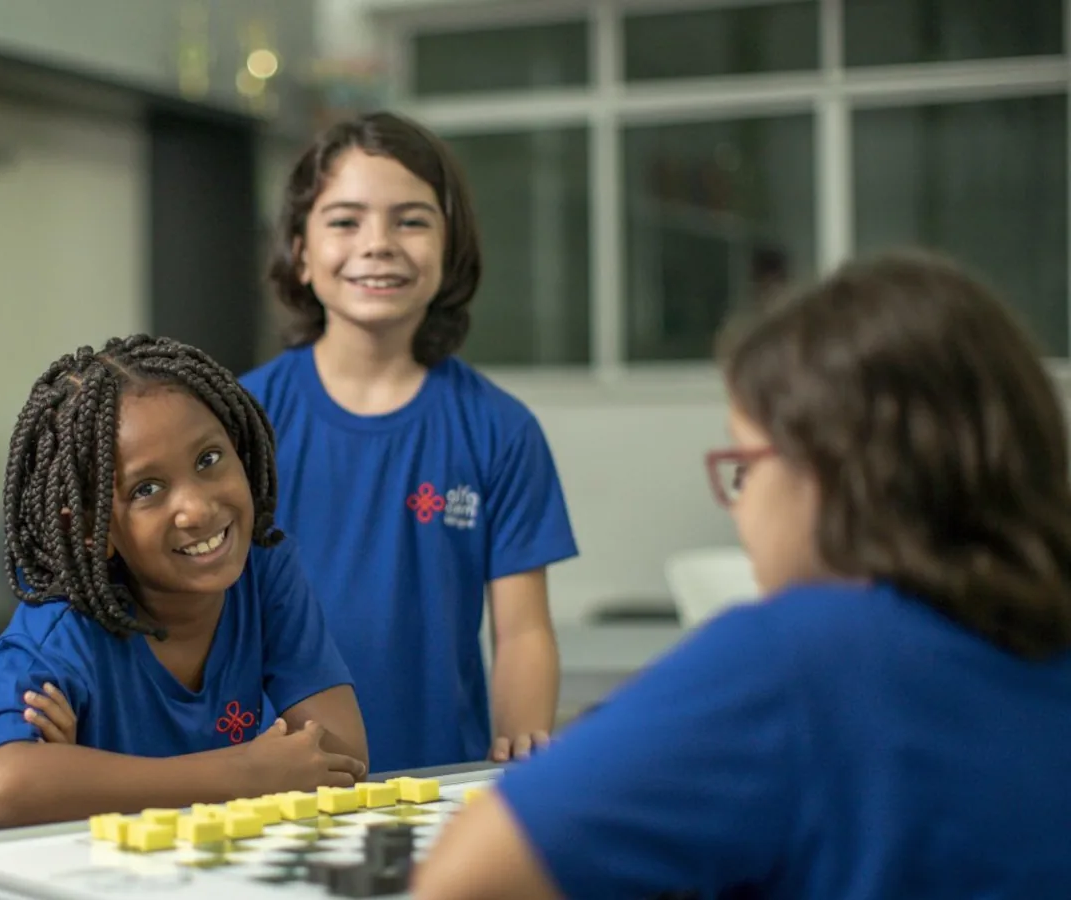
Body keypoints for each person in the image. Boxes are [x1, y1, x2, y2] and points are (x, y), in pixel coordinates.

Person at [413, 249, 1071, 899]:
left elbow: (467, 877)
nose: (739, 503)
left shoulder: (800, 657)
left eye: (745, 466)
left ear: (830, 468)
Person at [239, 111, 578, 773]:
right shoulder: (238, 420)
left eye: (412, 220)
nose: (378, 243)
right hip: (267, 777)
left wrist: (519, 747)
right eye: (345, 220)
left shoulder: (502, 431)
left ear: (450, 250)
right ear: (301, 253)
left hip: (439, 779)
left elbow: (523, 630)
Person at [0, 334, 368, 829]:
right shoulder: (62, 625)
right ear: (91, 532)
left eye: (208, 460)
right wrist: (243, 774)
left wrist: (82, 782)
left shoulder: (265, 572)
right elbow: (4, 789)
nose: (197, 509)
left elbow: (342, 755)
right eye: (146, 489)